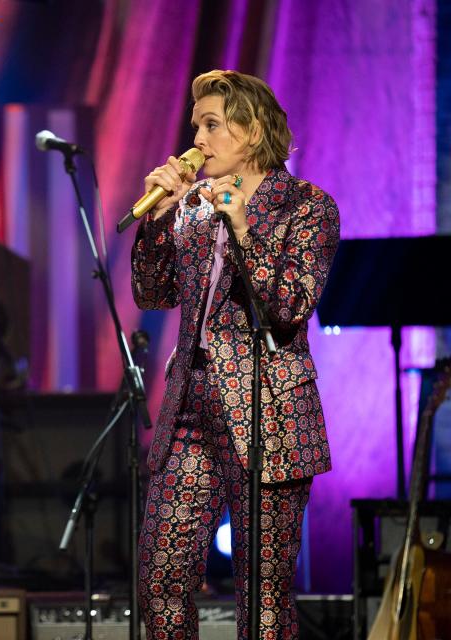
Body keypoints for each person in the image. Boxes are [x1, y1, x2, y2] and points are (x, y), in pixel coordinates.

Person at [131, 70, 339, 639]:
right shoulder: (193, 208)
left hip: (267, 411)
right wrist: (158, 219)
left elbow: (289, 306)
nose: (197, 138)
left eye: (212, 124)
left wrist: (242, 228)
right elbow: (153, 293)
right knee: (160, 580)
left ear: (250, 131)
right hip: (191, 405)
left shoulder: (306, 206)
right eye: (196, 124)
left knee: (262, 594)